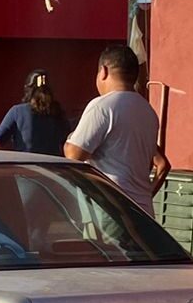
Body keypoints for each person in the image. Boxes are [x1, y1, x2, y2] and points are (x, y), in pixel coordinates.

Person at [64, 44, 169, 216]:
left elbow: (73, 154)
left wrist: (70, 139)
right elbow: (161, 163)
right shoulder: (148, 111)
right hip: (144, 211)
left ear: (103, 71)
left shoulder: (102, 106)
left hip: (111, 210)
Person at [0, 70, 70, 155]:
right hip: (53, 166)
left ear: (28, 89)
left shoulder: (17, 111)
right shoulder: (58, 112)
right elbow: (69, 143)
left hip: (26, 166)